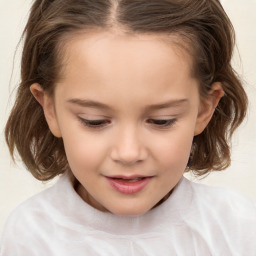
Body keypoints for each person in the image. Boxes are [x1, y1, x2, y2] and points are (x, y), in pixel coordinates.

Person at [1, 0, 255, 255]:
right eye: (94, 121)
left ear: (204, 109)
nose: (128, 152)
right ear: (51, 110)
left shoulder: (236, 227)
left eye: (161, 120)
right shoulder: (29, 237)